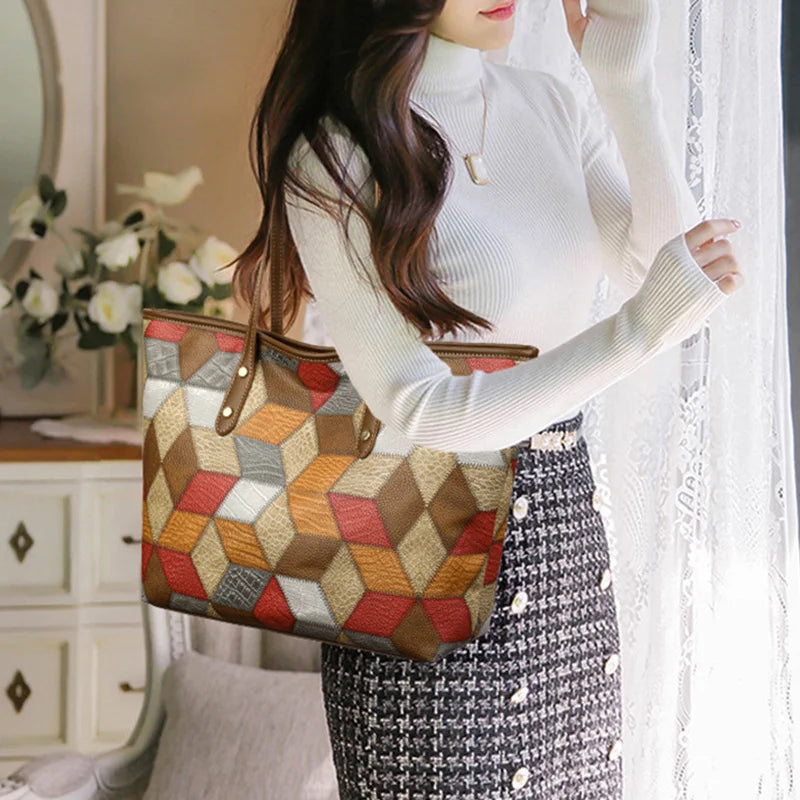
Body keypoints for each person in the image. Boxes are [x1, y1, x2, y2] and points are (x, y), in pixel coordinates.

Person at [232, 0, 743, 797]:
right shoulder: (332, 155)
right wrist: (638, 331)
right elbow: (421, 407)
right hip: (413, 544)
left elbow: (665, 269)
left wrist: (626, 83)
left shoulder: (550, 103)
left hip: (562, 530)